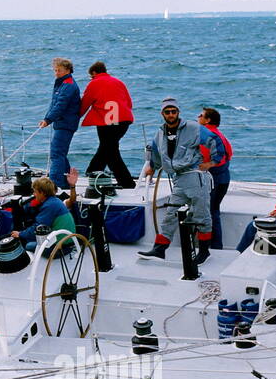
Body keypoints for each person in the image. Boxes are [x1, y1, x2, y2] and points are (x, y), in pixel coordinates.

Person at [138, 98, 214, 263]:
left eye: (174, 111)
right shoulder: (159, 133)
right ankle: (159, 249)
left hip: (196, 178)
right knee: (171, 214)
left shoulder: (194, 127)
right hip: (178, 180)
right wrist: (152, 166)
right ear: (162, 114)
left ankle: (205, 251)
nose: (171, 114)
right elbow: (157, 154)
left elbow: (217, 143)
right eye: (167, 112)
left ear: (178, 112)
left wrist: (212, 163)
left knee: (202, 215)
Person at [78, 61, 135, 188]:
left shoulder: (94, 83)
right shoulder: (118, 82)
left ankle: (94, 171)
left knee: (108, 149)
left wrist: (75, 117)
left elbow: (85, 103)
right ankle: (99, 173)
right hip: (125, 119)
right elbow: (129, 102)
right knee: (109, 149)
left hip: (108, 119)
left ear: (94, 73)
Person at [37, 57, 80, 188]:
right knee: (60, 153)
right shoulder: (62, 83)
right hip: (61, 123)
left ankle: (55, 184)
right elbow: (54, 104)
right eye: (55, 70)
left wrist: (48, 119)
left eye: (59, 70)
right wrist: (46, 118)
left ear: (67, 70)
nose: (56, 73)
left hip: (66, 124)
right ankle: (66, 182)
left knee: (56, 153)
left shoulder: (68, 85)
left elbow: (61, 105)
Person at [198, 106, 233, 248]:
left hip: (214, 180)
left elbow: (204, 160)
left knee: (210, 213)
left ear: (207, 120)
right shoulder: (219, 134)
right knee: (214, 211)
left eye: (201, 115)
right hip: (224, 178)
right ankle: (215, 245)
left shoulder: (207, 136)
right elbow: (229, 153)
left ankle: (214, 246)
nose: (198, 117)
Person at [12, 175, 77, 243]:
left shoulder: (49, 206)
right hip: (68, 239)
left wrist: (20, 234)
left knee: (28, 244)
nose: (34, 194)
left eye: (35, 192)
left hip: (61, 243)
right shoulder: (55, 201)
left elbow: (38, 228)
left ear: (42, 193)